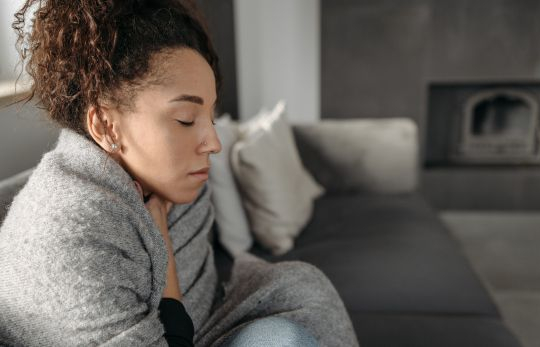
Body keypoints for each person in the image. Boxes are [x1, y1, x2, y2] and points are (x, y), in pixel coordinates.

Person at [0, 0, 359, 346]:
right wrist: (164, 253)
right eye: (186, 119)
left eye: (210, 117)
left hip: (196, 329)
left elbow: (201, 297)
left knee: (299, 293)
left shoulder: (171, 185)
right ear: (105, 126)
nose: (214, 143)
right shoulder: (68, 239)